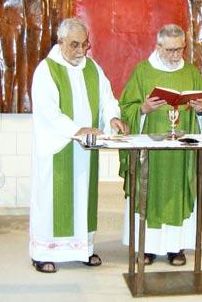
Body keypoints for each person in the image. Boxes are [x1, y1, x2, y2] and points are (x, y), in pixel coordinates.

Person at [29, 17, 129, 273]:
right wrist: (77, 130)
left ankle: (82, 249)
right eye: (74, 45)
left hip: (85, 151)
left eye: (85, 45)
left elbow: (108, 99)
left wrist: (112, 118)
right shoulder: (47, 70)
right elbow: (48, 113)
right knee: (53, 200)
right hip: (58, 150)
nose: (80, 51)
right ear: (60, 41)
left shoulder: (93, 68)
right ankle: (43, 252)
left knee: (83, 198)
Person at [119, 24, 202, 266]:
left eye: (180, 50)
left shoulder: (192, 72)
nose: (176, 55)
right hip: (150, 151)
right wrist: (142, 109)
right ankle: (147, 247)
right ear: (158, 46)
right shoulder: (142, 71)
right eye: (170, 50)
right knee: (149, 193)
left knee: (178, 192)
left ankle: (176, 247)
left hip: (181, 153)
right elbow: (126, 108)